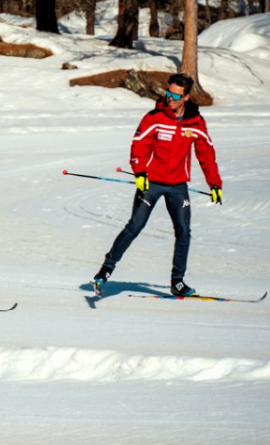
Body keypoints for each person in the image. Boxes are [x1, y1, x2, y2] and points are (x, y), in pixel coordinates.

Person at [92, 73, 223, 297]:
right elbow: (139, 145)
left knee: (184, 232)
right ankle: (104, 272)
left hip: (177, 186)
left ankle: (178, 282)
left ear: (187, 97)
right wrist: (140, 172)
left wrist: (215, 183)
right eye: (167, 92)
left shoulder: (196, 122)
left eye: (175, 95)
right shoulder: (155, 117)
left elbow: (206, 154)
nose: (169, 98)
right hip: (151, 183)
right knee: (135, 226)